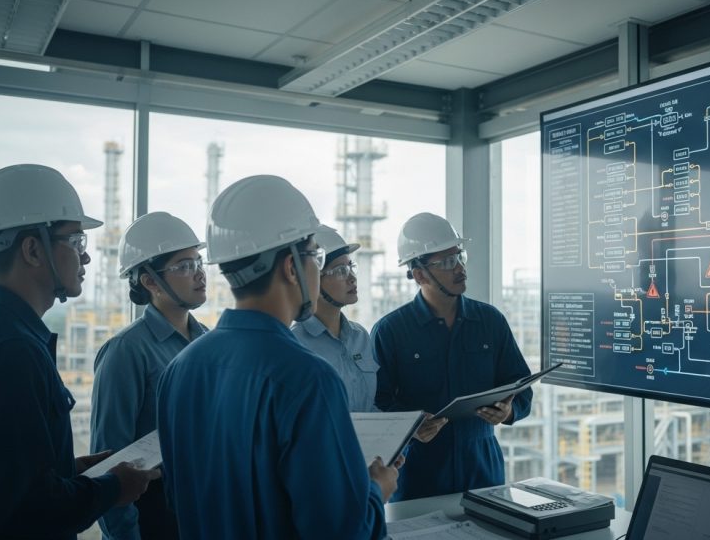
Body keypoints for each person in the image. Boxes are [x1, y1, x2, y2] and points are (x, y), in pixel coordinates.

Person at [156, 175, 398, 539]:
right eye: (316, 256)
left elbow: (178, 499)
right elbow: (340, 531)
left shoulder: (180, 369)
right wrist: (377, 491)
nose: (318, 269)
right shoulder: (307, 378)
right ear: (291, 267)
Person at [0, 164, 158, 540]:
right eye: (75, 242)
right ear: (33, 250)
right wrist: (113, 489)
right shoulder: (8, 351)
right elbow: (18, 513)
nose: (85, 259)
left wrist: (70, 471)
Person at [373, 212, 533, 500]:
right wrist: (411, 426)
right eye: (447, 262)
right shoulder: (391, 331)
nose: (460, 268)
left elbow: (521, 387)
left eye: (460, 257)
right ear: (419, 274)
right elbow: (378, 402)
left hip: (483, 471)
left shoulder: (490, 321)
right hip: (419, 477)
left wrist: (509, 411)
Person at [92, 212, 208, 540]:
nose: (199, 274)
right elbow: (109, 464)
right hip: (152, 521)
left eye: (199, 263)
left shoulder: (208, 343)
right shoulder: (126, 351)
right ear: (150, 281)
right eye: (185, 266)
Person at [291, 225, 379, 412]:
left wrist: (412, 427)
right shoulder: (295, 344)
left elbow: (368, 410)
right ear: (313, 279)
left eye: (350, 267)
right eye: (340, 271)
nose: (352, 278)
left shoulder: (360, 336)